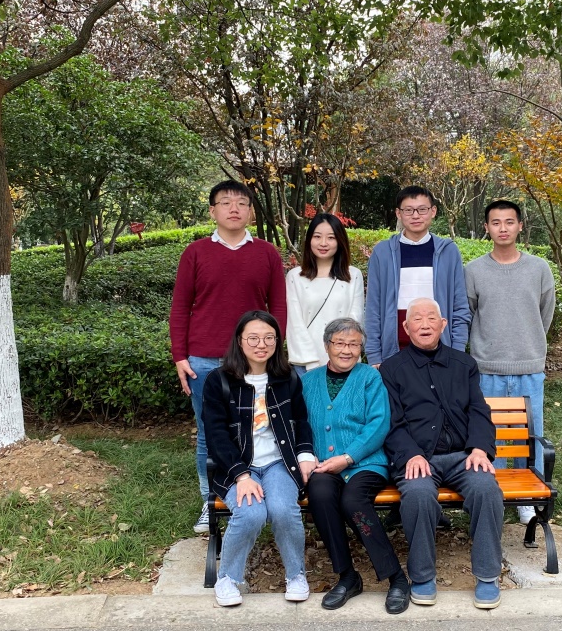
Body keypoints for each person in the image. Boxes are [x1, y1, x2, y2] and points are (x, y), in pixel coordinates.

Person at [170, 180, 288, 534]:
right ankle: (211, 501)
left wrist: (272, 349)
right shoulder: (195, 253)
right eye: (225, 202)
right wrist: (180, 356)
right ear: (213, 210)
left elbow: (278, 305)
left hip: (255, 358)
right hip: (205, 359)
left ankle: (261, 492)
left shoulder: (267, 253)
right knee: (209, 432)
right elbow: (180, 308)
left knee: (258, 426)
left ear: (251, 211)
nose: (234, 208)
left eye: (241, 202)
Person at [381, 297, 504, 610]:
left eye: (431, 318)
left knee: (486, 488)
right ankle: (422, 576)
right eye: (417, 319)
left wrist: (479, 448)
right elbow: (391, 422)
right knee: (418, 494)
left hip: (463, 455)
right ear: (406, 327)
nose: (424, 324)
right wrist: (410, 454)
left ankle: (488, 576)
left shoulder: (464, 364)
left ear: (443, 324)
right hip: (419, 458)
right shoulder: (393, 369)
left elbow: (479, 410)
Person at [202, 311, 316, 607]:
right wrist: (241, 475)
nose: (261, 344)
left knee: (282, 510)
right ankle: (228, 578)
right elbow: (215, 435)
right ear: (239, 341)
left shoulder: (287, 378)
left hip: (279, 463)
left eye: (269, 338)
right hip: (238, 466)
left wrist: (305, 454)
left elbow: (301, 421)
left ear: (277, 341)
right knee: (251, 513)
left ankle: (296, 575)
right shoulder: (219, 380)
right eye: (253, 338)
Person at [302, 317, 410, 613]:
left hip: (366, 463)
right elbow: (299, 425)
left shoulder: (370, 378)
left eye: (353, 344)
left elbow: (379, 423)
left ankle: (397, 578)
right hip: (323, 465)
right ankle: (348, 576)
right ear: (327, 346)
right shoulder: (308, 381)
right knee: (320, 494)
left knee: (353, 501)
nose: (346, 350)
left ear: (361, 349)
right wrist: (308, 456)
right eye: (340, 343)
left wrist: (348, 457)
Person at [464, 199, 555, 522]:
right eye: (496, 222)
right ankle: (496, 497)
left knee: (531, 435)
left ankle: (529, 501)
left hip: (529, 368)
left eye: (509, 222)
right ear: (486, 228)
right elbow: (469, 315)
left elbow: (545, 314)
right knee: (493, 435)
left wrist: (528, 345)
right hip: (487, 369)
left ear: (520, 226)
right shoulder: (473, 271)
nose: (503, 228)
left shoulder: (539, 269)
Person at [364, 185, 470, 366]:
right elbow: (373, 308)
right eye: (408, 210)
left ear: (433, 211)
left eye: (422, 209)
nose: (415, 215)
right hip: (394, 353)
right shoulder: (383, 252)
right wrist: (374, 355)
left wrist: (457, 352)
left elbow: (459, 307)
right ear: (398, 213)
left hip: (440, 353)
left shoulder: (448, 251)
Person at [286, 212, 365, 374]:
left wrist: (342, 355)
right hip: (305, 363)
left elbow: (355, 319)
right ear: (309, 239)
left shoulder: (353, 275)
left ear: (340, 240)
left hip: (345, 360)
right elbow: (295, 323)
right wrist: (311, 363)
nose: (323, 243)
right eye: (317, 237)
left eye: (331, 237)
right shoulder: (295, 276)